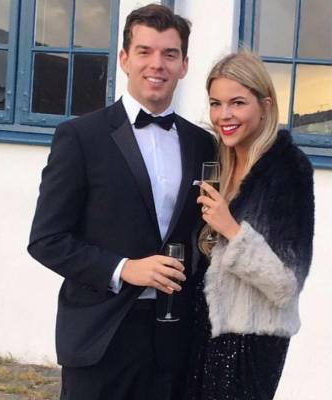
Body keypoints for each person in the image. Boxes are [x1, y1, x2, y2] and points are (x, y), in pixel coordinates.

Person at [28, 4, 215, 400]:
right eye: (145, 51)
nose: (157, 64)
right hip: (100, 334)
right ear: (125, 59)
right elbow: (46, 240)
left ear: (184, 65)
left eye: (169, 54)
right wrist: (124, 268)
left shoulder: (203, 144)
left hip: (174, 340)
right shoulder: (80, 137)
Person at [184, 51, 315, 400]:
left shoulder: (288, 171)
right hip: (200, 330)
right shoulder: (217, 160)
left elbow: (287, 284)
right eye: (216, 103)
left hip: (250, 341)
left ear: (265, 105)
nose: (223, 115)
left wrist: (232, 230)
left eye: (237, 103)